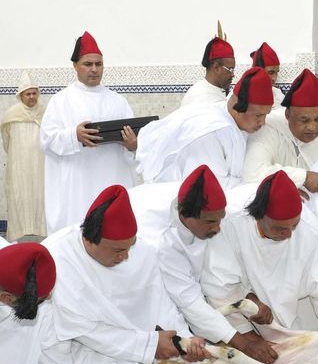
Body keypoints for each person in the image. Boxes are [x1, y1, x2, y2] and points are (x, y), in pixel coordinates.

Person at [42, 185, 209, 364]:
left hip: (133, 344)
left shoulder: (141, 252)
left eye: (129, 247)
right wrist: (149, 345)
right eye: (117, 250)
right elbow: (85, 332)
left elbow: (159, 302)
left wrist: (185, 340)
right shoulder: (56, 259)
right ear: (90, 240)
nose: (125, 256)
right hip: (72, 353)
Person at [201, 170, 318, 357]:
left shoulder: (310, 234)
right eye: (279, 228)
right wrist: (250, 340)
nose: (288, 235)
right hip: (250, 332)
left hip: (305, 329)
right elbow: (221, 290)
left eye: (293, 226)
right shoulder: (231, 232)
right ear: (259, 216)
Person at [131, 165, 278, 364]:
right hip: (151, 293)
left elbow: (234, 265)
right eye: (210, 222)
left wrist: (251, 296)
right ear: (185, 216)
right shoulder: (164, 245)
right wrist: (241, 342)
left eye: (220, 219)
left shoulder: (213, 213)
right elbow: (189, 301)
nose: (217, 228)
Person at [40, 31, 138, 235]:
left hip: (111, 179)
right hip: (77, 187)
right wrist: (74, 135)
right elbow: (47, 140)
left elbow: (135, 145)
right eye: (88, 64)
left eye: (98, 64)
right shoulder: (61, 101)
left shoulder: (117, 101)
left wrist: (132, 146)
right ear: (75, 66)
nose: (94, 69)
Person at [137, 67, 273, 188]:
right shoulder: (210, 131)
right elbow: (211, 188)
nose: (262, 122)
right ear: (238, 107)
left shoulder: (234, 121)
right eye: (258, 116)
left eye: (265, 116)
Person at [243, 68, 318, 193]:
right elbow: (252, 173)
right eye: (304, 120)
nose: (313, 127)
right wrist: (302, 178)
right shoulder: (269, 126)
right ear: (288, 115)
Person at [0, 71, 47, 240]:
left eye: (34, 93)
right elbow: (7, 141)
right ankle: (19, 234)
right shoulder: (11, 115)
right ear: (21, 96)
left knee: (40, 193)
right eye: (28, 93)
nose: (32, 97)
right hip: (18, 166)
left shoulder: (45, 113)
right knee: (19, 194)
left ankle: (42, 232)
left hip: (41, 164)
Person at [181, 37, 235, 107]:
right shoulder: (200, 98)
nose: (233, 75)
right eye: (230, 69)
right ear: (216, 68)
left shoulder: (214, 91)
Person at [250, 42, 285, 108]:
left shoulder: (278, 95)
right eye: (271, 73)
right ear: (257, 72)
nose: (274, 78)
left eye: (276, 73)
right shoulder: (241, 95)